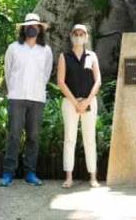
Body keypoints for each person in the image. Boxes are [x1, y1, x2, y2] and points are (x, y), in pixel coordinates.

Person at [0, 13, 54, 187]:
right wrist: (14, 89)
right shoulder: (13, 48)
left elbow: (46, 74)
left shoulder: (46, 50)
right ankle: (8, 172)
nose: (32, 28)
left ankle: (30, 172)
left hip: (37, 98)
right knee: (14, 135)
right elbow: (8, 73)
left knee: (33, 136)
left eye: (35, 25)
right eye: (28, 25)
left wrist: (37, 88)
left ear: (40, 29)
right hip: (16, 97)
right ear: (23, 29)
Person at [57, 24, 102, 188]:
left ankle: (93, 177)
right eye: (75, 33)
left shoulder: (92, 56)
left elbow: (98, 80)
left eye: (82, 33)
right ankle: (68, 177)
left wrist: (88, 101)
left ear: (86, 37)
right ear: (71, 36)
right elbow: (61, 81)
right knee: (70, 139)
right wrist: (76, 102)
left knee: (90, 140)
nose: (78, 36)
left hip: (89, 102)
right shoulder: (64, 56)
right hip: (70, 103)